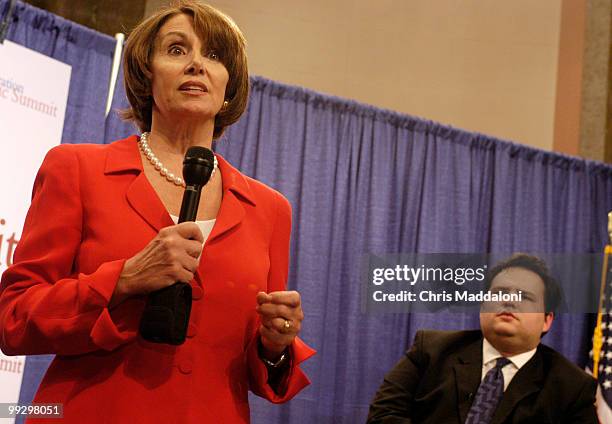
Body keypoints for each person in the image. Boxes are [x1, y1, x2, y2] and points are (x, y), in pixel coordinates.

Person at [0, 2, 315, 422]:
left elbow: (258, 367)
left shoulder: (270, 210)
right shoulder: (76, 169)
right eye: (177, 50)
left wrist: (275, 346)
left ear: (229, 88)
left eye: (215, 56)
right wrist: (124, 279)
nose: (197, 65)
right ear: (146, 76)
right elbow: (15, 318)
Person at [367, 253, 597, 424]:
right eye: (499, 293)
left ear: (547, 320)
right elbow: (383, 415)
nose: (509, 301)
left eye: (525, 297)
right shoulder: (430, 350)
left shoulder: (572, 387)